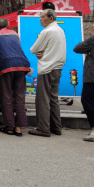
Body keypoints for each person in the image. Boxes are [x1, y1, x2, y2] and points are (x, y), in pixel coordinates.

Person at [29, 9, 66, 137]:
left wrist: (40, 53)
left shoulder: (47, 31)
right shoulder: (60, 30)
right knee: (53, 98)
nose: (40, 19)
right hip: (58, 68)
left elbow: (33, 49)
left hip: (47, 68)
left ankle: (43, 128)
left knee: (42, 99)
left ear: (50, 18)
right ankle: (56, 127)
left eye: (43, 17)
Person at [0, 18, 31, 136]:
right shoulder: (15, 34)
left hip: (6, 66)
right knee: (19, 97)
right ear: (8, 25)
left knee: (7, 96)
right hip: (22, 64)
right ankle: (18, 127)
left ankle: (9, 126)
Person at [73, 17, 94, 142]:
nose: (92, 26)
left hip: (92, 76)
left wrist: (88, 50)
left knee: (86, 100)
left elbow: (77, 48)